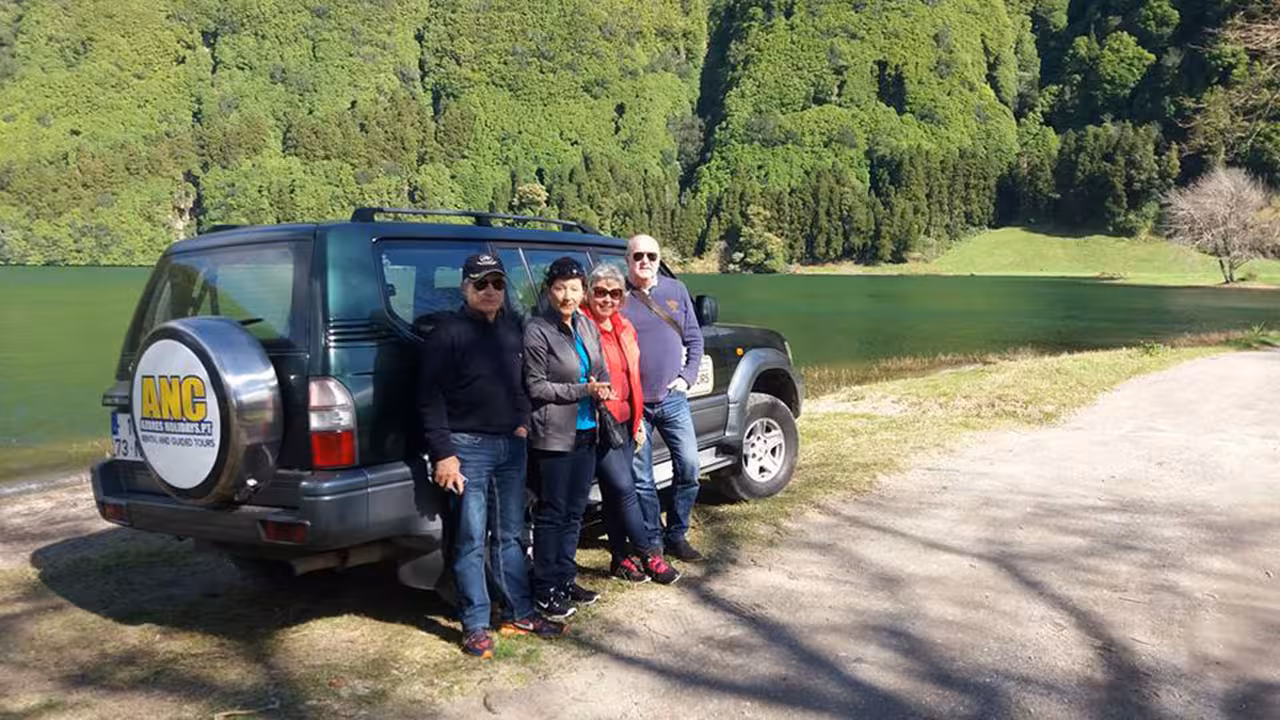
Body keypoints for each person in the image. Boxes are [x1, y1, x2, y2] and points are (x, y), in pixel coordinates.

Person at [418, 253, 566, 659]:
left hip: (509, 446)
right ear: (465, 287)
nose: (490, 291)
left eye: (498, 284)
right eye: (481, 283)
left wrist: (520, 422)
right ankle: (476, 624)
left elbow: (521, 384)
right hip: (466, 450)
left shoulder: (512, 330)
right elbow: (428, 399)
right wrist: (444, 454)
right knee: (469, 538)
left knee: (509, 535)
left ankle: (519, 611)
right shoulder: (447, 334)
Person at [524, 256, 614, 620]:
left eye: (574, 289)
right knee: (552, 513)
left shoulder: (585, 325)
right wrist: (582, 390)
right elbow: (535, 386)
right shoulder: (537, 329)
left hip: (587, 430)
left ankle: (565, 577)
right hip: (553, 436)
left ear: (583, 292)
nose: (567, 296)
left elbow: (599, 367)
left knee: (575, 511)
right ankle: (544, 588)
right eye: (560, 288)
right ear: (549, 290)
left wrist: (601, 388)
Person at [582, 263, 682, 585]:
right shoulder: (582, 326)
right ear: (589, 293)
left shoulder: (624, 326)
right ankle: (649, 553)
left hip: (626, 421)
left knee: (614, 494)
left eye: (614, 293)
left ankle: (619, 558)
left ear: (622, 298)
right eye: (600, 292)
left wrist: (638, 421)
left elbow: (632, 377)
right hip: (599, 423)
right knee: (625, 489)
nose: (607, 299)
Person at [621, 233, 706, 562]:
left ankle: (677, 534)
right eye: (637, 255)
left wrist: (686, 378)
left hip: (673, 400)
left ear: (658, 260)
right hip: (635, 405)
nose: (644, 261)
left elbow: (695, 339)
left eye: (651, 256)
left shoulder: (676, 290)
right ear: (627, 260)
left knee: (689, 467)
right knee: (641, 478)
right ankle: (653, 540)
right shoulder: (618, 294)